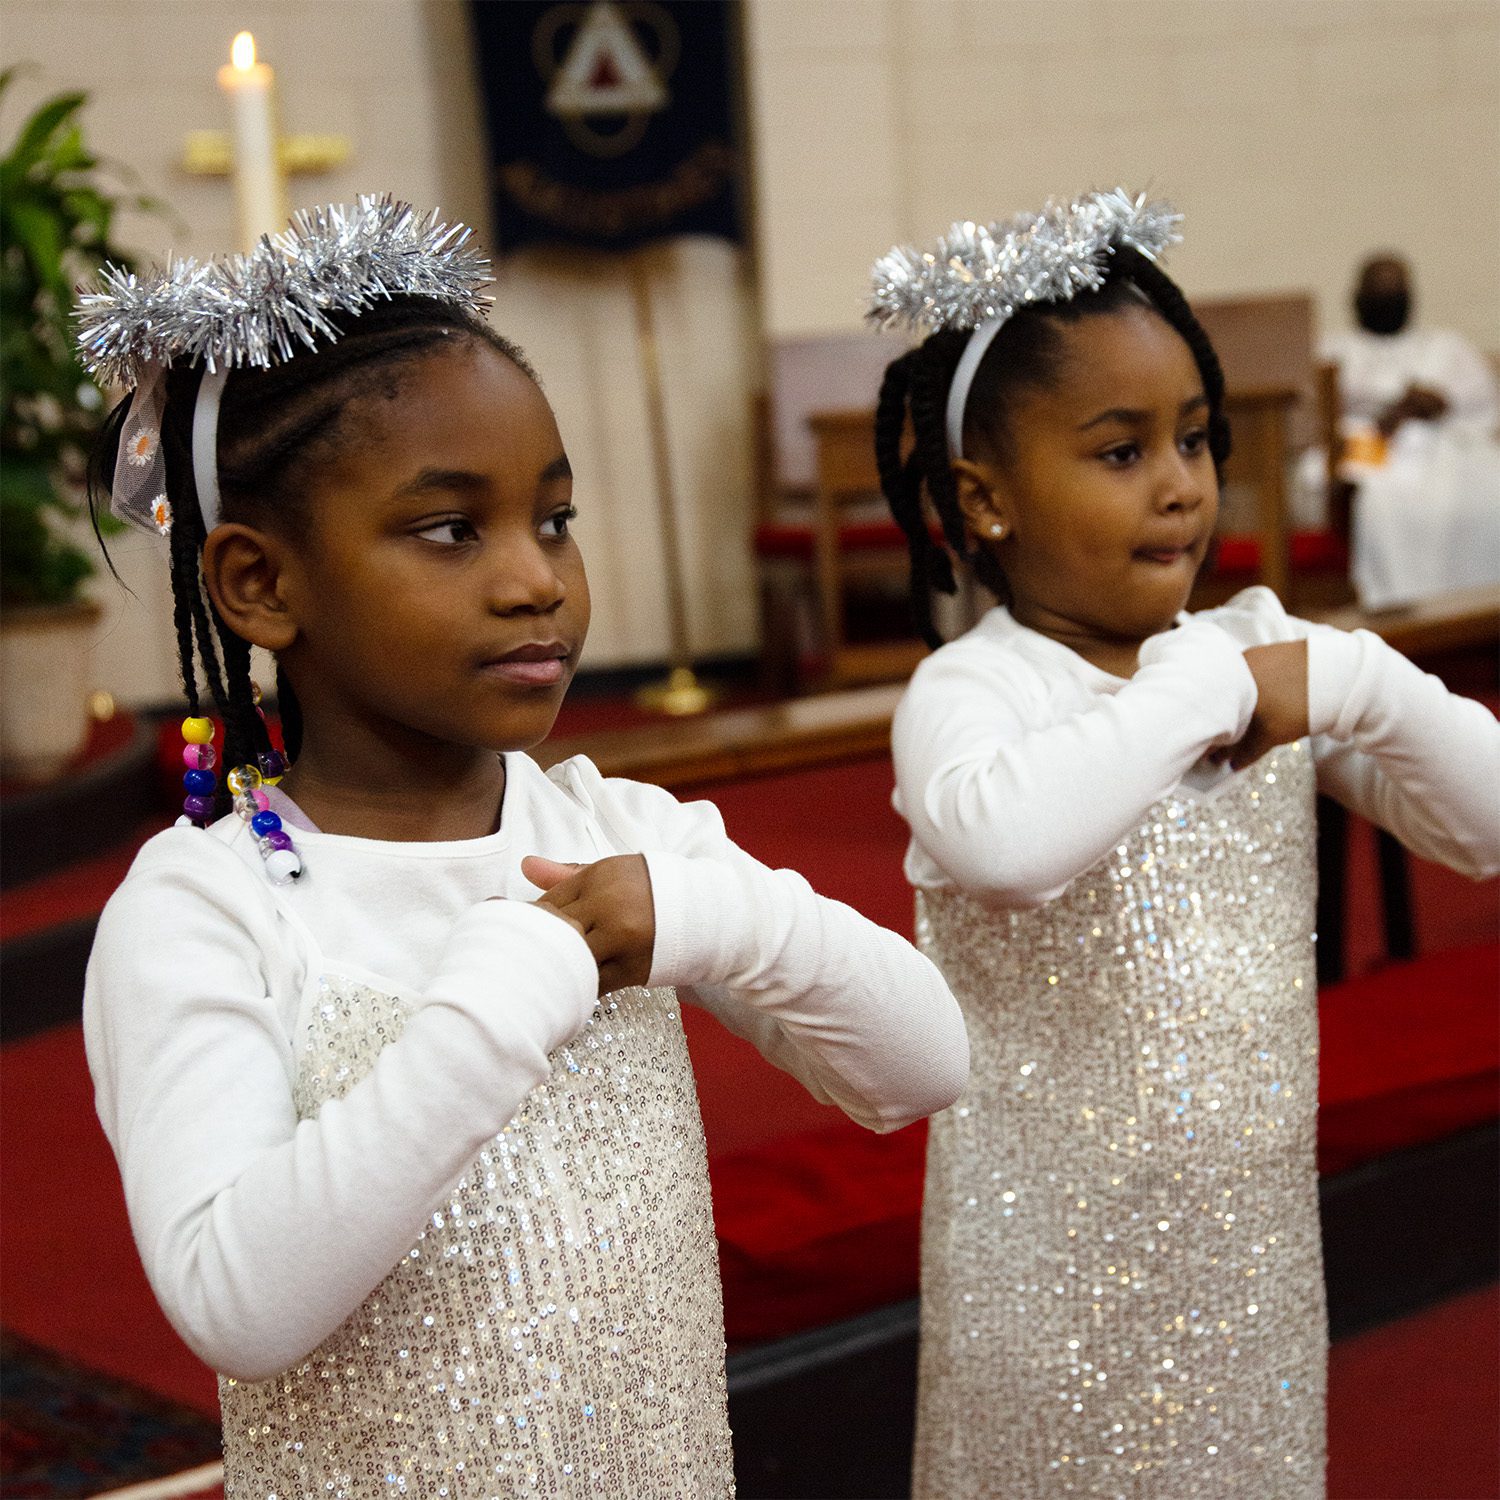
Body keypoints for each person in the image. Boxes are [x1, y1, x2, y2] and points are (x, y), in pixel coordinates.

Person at [79, 199, 968, 1498]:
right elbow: (238, 1301)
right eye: (452, 530)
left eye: (553, 519)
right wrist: (502, 1003)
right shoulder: (209, 909)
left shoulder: (613, 832)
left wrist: (707, 913)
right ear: (261, 583)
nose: (535, 578)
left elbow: (922, 1061)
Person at [868, 191, 1500, 1498]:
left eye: (1196, 440)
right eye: (1119, 451)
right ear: (984, 498)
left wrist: (1359, 679)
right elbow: (1007, 844)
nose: (1180, 484)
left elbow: (1486, 826)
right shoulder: (975, 692)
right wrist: (1208, 686)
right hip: (1040, 1274)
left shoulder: (1264, 647)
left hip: (1248, 1262)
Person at [1316, 252, 1500, 607]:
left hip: (1446, 450)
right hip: (1372, 448)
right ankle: (1400, 607)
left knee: (1489, 485)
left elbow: (1483, 413)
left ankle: (1478, 607)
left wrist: (1437, 404)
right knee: (1379, 496)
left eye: (1395, 293)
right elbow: (1321, 418)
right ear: (1356, 299)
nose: (1387, 302)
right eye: (1378, 293)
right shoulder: (1335, 350)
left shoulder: (1447, 347)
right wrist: (1393, 412)